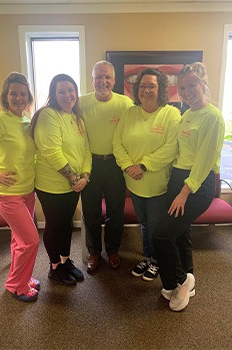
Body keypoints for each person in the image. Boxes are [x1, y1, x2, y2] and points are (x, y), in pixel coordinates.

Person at [152, 62, 225, 311]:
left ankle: (179, 282)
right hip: (179, 178)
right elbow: (178, 151)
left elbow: (204, 161)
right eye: (182, 87)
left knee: (161, 235)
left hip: (196, 184)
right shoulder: (188, 113)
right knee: (180, 233)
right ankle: (188, 278)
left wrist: (184, 192)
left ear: (203, 83)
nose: (186, 91)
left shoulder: (213, 117)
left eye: (191, 85)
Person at [113, 68, 181, 281]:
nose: (146, 90)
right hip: (133, 182)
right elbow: (117, 143)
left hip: (157, 184)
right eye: (142, 86)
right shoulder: (130, 112)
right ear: (137, 89)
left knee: (155, 226)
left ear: (160, 88)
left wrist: (142, 166)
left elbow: (171, 149)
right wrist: (127, 166)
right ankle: (148, 257)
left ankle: (158, 261)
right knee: (143, 223)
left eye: (152, 85)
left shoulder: (171, 114)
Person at [0, 72, 40, 302]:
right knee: (31, 240)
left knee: (19, 240)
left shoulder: (27, 120)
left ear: (29, 97)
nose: (18, 98)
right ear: (5, 96)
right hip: (8, 194)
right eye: (13, 93)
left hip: (28, 191)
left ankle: (21, 278)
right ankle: (16, 285)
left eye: (23, 94)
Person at [32, 74, 91, 286]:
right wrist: (74, 178)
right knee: (55, 225)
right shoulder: (49, 115)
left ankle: (66, 261)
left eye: (70, 90)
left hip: (73, 186)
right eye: (61, 91)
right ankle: (54, 267)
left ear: (76, 92)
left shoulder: (78, 119)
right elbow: (51, 151)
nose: (67, 95)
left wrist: (85, 176)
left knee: (66, 224)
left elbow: (86, 151)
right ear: (54, 95)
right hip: (51, 186)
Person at [80, 60, 133, 273]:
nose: (103, 81)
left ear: (114, 80)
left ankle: (112, 251)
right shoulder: (81, 102)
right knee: (90, 212)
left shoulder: (125, 104)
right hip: (90, 163)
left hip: (115, 165)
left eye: (107, 77)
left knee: (115, 212)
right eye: (98, 77)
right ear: (92, 80)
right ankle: (94, 252)